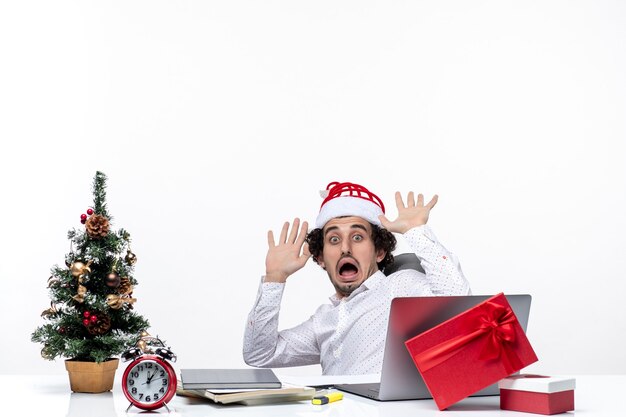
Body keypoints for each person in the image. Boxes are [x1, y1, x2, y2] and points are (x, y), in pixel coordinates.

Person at [243, 181, 471, 375]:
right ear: (321, 258)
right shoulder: (323, 320)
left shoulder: (398, 287)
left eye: (358, 237)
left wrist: (415, 231)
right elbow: (260, 355)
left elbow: (459, 304)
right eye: (333, 239)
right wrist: (275, 279)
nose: (345, 248)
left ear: (379, 252)